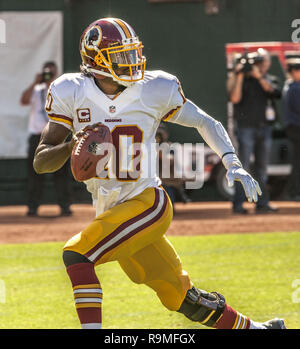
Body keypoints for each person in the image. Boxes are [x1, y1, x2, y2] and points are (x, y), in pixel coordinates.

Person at [33, 18, 285, 329]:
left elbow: (205, 122)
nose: (132, 62)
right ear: (95, 61)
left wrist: (232, 161)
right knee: (182, 298)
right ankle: (260, 329)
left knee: (77, 255)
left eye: (133, 54)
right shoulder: (71, 91)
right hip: (113, 212)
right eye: (121, 56)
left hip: (148, 203)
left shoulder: (155, 88)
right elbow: (41, 161)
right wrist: (74, 144)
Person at [227, 49, 281, 214]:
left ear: (268, 63)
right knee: (241, 166)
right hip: (245, 128)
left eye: (263, 61)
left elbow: (275, 93)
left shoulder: (270, 80)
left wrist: (259, 77)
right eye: (258, 62)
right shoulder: (242, 80)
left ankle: (262, 203)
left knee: (262, 168)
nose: (260, 65)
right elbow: (234, 98)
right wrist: (241, 75)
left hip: (264, 128)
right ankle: (238, 204)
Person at [20, 61, 73, 216]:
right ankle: (32, 206)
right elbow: (23, 100)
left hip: (59, 135)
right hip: (37, 136)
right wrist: (35, 83)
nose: (48, 75)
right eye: (46, 72)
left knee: (61, 174)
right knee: (34, 173)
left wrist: (52, 83)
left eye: (51, 72)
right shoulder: (36, 90)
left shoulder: (60, 91)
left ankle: (65, 205)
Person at [156, 124, 191, 212]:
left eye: (161, 133)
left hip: (166, 177)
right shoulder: (148, 146)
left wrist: (161, 155)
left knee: (168, 185)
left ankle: (171, 206)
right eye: (157, 133)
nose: (158, 136)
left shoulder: (170, 146)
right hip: (152, 176)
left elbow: (171, 160)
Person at [282, 52, 300, 201]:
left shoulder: (292, 86)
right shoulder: (294, 87)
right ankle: (294, 192)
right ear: (294, 71)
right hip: (296, 129)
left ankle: (294, 192)